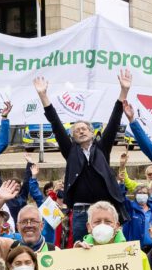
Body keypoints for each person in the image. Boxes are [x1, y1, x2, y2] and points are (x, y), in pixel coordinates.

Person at [34, 73, 131, 232]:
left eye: (84, 129)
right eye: (77, 130)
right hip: (80, 212)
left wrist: (124, 91)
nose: (81, 131)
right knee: (82, 250)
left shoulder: (101, 148)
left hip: (104, 209)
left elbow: (114, 121)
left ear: (92, 133)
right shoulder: (70, 151)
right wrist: (43, 95)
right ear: (73, 137)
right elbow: (56, 124)